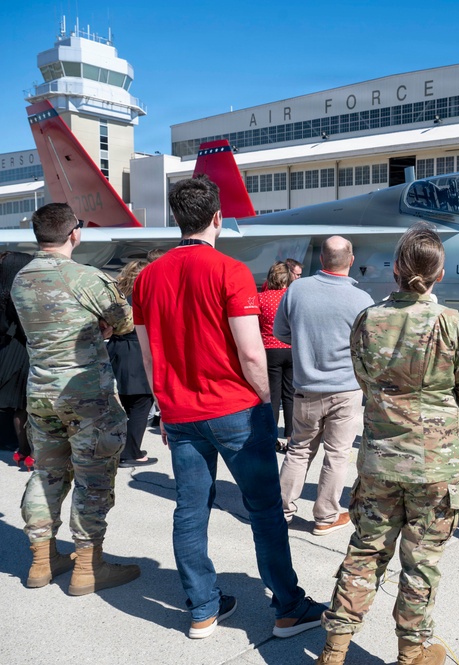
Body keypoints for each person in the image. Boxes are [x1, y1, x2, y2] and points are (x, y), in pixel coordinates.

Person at [133, 176, 326, 639]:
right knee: (264, 511)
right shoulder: (230, 271)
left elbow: (147, 356)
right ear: (218, 218)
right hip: (234, 409)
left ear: (177, 219)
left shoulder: (146, 278)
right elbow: (251, 352)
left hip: (180, 414)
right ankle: (287, 607)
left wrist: (165, 405)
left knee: (190, 511)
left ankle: (202, 609)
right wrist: (263, 402)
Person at [314, 224, 459, 665]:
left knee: (365, 551)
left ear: (394, 270)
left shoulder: (370, 319)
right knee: (421, 561)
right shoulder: (450, 323)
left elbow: (362, 377)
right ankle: (412, 653)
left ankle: (333, 651)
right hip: (435, 465)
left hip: (381, 460)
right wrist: (443, 426)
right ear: (440, 274)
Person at [11, 203, 140, 594]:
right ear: (74, 233)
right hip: (86, 396)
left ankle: (41, 560)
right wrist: (101, 325)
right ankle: (88, 566)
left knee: (45, 473)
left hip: (40, 393)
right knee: (93, 477)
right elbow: (125, 321)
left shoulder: (21, 278)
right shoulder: (85, 277)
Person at [273, 236, 373, 535]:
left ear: (322, 260)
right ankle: (325, 516)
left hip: (306, 387)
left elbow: (281, 332)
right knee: (337, 454)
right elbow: (367, 346)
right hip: (345, 389)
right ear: (351, 260)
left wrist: (306, 344)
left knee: (299, 450)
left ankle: (281, 511)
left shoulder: (297, 290)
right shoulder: (362, 299)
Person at [106, 259, 157, 467]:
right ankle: (132, 452)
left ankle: (125, 448)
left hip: (117, 350)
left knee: (126, 405)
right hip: (137, 352)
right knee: (141, 404)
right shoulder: (146, 297)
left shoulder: (118, 298)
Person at [1, 252, 32, 466]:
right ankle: (27, 452)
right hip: (20, 351)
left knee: (12, 405)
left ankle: (19, 450)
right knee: (23, 405)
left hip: (4, 351)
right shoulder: (18, 296)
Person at [259, 261, 295, 450]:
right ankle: (290, 437)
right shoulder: (291, 297)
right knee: (290, 396)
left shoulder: (261, 298)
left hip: (270, 350)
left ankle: (272, 438)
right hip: (290, 348)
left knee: (273, 396)